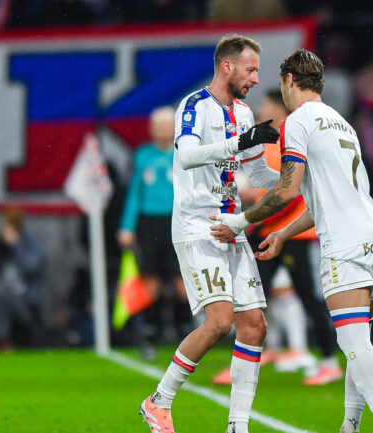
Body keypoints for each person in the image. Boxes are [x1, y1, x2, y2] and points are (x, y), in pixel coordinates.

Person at [212, 48, 373, 433]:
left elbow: (286, 189)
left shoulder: (297, 121)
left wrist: (240, 222)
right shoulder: (341, 122)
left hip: (346, 243)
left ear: (288, 81)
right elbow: (322, 200)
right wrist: (282, 233)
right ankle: (350, 424)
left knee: (355, 343)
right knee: (357, 342)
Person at [138, 34, 281, 433]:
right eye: (250, 69)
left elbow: (257, 174)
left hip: (232, 228)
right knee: (219, 322)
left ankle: (237, 425)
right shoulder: (194, 106)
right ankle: (158, 400)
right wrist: (238, 143)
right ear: (227, 67)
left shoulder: (245, 114)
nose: (255, 78)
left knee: (254, 324)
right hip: (197, 228)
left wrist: (299, 178)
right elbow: (184, 156)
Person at [213, 89, 342, 386]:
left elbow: (295, 193)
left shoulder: (292, 141)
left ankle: (328, 362)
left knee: (304, 298)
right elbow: (272, 189)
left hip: (292, 235)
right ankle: (250, 363)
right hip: (269, 232)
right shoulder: (271, 142)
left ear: (279, 110)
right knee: (251, 300)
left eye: (266, 105)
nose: (260, 109)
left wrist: (261, 223)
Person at [118, 106, 187, 359]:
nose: (162, 131)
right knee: (151, 280)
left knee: (181, 279)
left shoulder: (184, 153)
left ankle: (186, 332)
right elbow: (135, 193)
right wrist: (127, 226)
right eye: (157, 126)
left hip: (177, 221)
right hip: (149, 223)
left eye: (167, 125)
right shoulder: (143, 155)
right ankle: (149, 333)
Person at [0, 207, 45, 349]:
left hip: (24, 298)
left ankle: (0, 340)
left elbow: (33, 268)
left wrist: (15, 246)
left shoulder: (29, 244)